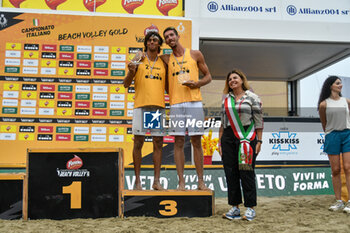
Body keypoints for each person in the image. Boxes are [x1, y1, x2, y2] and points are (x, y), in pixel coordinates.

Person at [161, 27, 212, 190]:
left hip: (194, 102)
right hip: (176, 104)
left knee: (196, 141)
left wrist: (197, 84)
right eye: (166, 37)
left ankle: (200, 181)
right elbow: (149, 57)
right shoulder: (166, 59)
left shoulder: (195, 54)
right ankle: (181, 182)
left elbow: (208, 76)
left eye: (171, 35)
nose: (169, 38)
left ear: (177, 36)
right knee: (179, 141)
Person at [124, 31, 167, 190]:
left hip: (157, 107)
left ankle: (156, 182)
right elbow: (126, 84)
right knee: (138, 143)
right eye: (149, 40)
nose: (152, 42)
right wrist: (131, 71)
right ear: (146, 43)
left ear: (159, 44)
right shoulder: (138, 59)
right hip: (141, 105)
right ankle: (137, 182)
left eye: (155, 40)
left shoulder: (164, 62)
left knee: (158, 143)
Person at [219, 69, 263, 221]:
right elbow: (222, 122)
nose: (232, 81)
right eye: (230, 79)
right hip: (228, 138)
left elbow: (258, 121)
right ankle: (235, 207)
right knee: (230, 173)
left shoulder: (252, 97)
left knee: (246, 172)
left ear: (242, 80)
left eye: (235, 78)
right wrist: (220, 142)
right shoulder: (226, 99)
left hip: (246, 136)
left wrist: (259, 140)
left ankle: (250, 208)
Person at [318, 76, 350, 213]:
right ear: (330, 86)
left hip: (347, 134)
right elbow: (324, 123)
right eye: (337, 83)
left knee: (348, 167)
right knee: (335, 170)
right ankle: (339, 201)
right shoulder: (323, 104)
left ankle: (349, 201)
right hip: (332, 136)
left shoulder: (347, 101)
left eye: (340, 83)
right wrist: (330, 134)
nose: (340, 85)